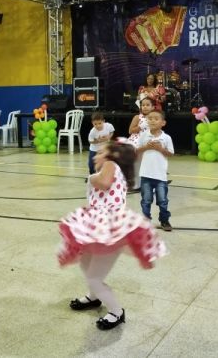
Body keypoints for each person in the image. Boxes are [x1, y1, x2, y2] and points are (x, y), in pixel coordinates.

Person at [58, 140, 166, 330]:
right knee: (85, 262)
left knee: (94, 277)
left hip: (109, 230)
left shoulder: (110, 165)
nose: (96, 156)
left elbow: (103, 183)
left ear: (113, 156)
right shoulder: (113, 170)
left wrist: (91, 178)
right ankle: (94, 297)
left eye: (101, 152)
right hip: (98, 226)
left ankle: (116, 311)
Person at [136, 110, 175, 231]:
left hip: (160, 176)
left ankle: (164, 220)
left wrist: (160, 149)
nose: (152, 121)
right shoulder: (144, 135)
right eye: (150, 118)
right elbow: (137, 150)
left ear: (163, 123)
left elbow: (171, 154)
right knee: (146, 200)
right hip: (145, 174)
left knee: (163, 200)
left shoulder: (166, 138)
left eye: (156, 119)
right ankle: (146, 221)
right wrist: (146, 147)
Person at [128, 98, 155, 189]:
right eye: (143, 105)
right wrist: (140, 127)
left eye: (147, 105)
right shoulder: (137, 117)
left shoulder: (155, 118)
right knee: (137, 162)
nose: (145, 107)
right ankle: (136, 183)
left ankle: (151, 181)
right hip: (136, 141)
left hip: (149, 141)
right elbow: (130, 131)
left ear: (152, 107)